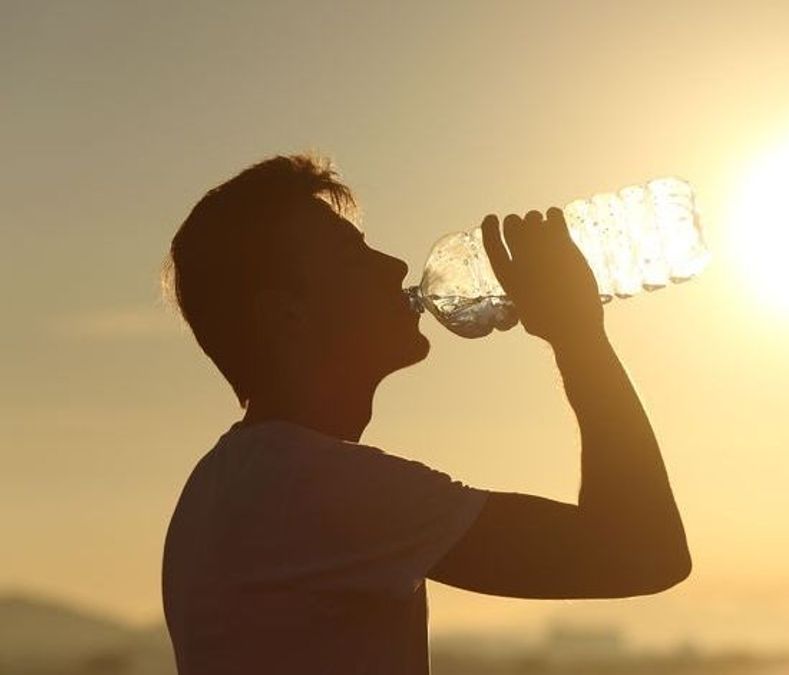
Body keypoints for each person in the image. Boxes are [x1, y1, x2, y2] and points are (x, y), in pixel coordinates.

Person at [160, 154, 691, 674]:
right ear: (286, 313)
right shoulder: (307, 486)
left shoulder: (227, 484)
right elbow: (641, 550)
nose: (394, 266)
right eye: (352, 256)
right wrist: (578, 333)